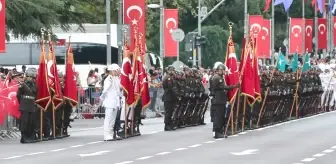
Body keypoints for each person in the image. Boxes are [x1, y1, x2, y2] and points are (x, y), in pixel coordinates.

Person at [211, 63, 239, 139]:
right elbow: (224, 87)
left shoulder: (219, 77)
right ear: (219, 70)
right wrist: (234, 86)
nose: (224, 72)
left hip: (220, 100)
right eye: (223, 70)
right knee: (218, 117)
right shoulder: (217, 78)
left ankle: (218, 131)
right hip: (218, 100)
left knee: (220, 116)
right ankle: (217, 132)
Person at [100, 64, 123, 141]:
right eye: (117, 70)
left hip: (115, 102)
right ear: (113, 70)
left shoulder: (116, 78)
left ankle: (110, 134)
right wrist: (102, 98)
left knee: (113, 119)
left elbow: (118, 91)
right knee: (108, 119)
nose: (118, 72)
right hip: (109, 101)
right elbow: (105, 90)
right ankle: (106, 135)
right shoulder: (108, 79)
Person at [17, 69, 38, 143]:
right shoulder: (22, 85)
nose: (29, 78)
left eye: (31, 77)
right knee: (24, 122)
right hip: (24, 106)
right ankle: (24, 137)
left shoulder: (35, 86)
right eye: (28, 76)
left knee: (31, 122)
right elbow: (18, 95)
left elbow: (36, 96)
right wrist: (22, 103)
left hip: (32, 106)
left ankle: (31, 136)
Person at [162, 65, 178, 131]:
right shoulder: (168, 78)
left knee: (170, 112)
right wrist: (176, 94)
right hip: (168, 97)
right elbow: (170, 88)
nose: (173, 71)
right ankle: (167, 125)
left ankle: (169, 124)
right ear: (169, 71)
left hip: (169, 97)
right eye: (172, 70)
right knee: (168, 112)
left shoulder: (170, 77)